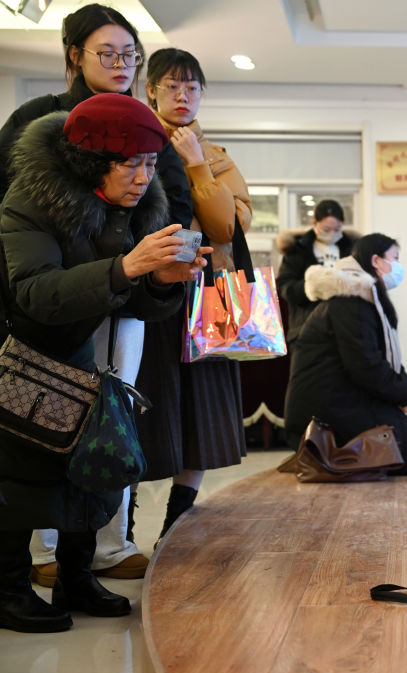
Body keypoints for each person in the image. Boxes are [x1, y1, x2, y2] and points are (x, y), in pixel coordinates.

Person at [0, 93, 209, 633]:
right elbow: (34, 292)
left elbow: (134, 299)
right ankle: (9, 588)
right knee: (21, 476)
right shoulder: (32, 199)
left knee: (87, 467)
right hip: (21, 354)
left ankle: (78, 574)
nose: (143, 177)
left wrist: (160, 281)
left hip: (85, 358)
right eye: (131, 163)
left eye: (149, 163)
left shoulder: (140, 203)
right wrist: (127, 266)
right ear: (94, 162)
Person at [134, 48, 253, 543]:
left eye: (192, 87)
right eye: (172, 86)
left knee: (205, 412)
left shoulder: (218, 157)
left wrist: (198, 167)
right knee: (139, 406)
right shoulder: (133, 142)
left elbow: (228, 225)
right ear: (151, 92)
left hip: (206, 294)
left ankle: (173, 525)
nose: (183, 96)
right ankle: (118, 532)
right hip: (145, 288)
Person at [283, 233, 407, 470]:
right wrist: (405, 398)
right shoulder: (350, 302)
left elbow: (378, 363)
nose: (398, 266)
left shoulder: (356, 298)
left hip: (340, 402)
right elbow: (366, 367)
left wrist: (405, 398)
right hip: (322, 417)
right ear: (375, 261)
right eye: (395, 258)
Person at [277, 199, 355, 352]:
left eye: (337, 229)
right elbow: (284, 286)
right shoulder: (297, 249)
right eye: (326, 229)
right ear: (314, 223)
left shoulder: (351, 248)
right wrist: (312, 286)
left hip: (345, 327)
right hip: (306, 327)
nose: (332, 234)